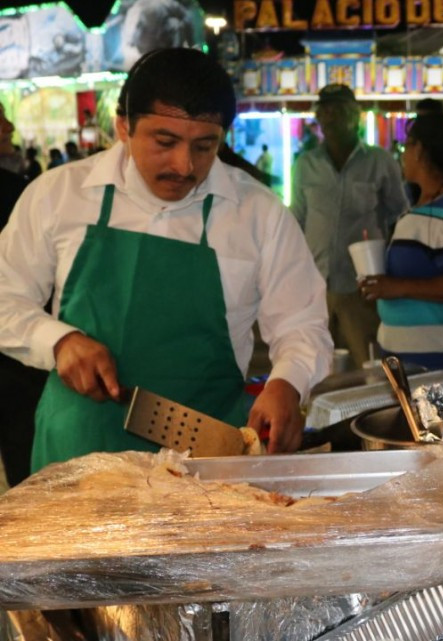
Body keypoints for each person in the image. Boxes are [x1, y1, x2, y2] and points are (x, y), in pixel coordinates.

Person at [0, 48, 333, 472]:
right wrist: (59, 341)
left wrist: (288, 381)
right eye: (165, 142)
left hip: (207, 457)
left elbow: (301, 323)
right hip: (79, 453)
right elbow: (5, 297)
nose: (184, 165)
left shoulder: (257, 212)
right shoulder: (59, 194)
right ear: (123, 126)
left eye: (204, 146)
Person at [359, 113, 443, 371]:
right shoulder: (421, 206)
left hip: (439, 362)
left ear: (418, 150)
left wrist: (398, 287)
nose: (401, 155)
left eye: (405, 146)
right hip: (408, 361)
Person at [292, 84, 408, 368]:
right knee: (316, 368)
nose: (330, 119)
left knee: (367, 365)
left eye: (339, 111)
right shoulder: (306, 164)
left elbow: (398, 217)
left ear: (356, 115)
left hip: (362, 288)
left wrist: (389, 274)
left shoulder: (379, 162)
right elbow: (296, 220)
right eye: (325, 112)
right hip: (316, 286)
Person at [0, 103, 45, 487]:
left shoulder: (23, 190)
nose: (9, 126)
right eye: (0, 116)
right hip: (16, 364)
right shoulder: (21, 193)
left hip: (17, 360)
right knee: (25, 475)